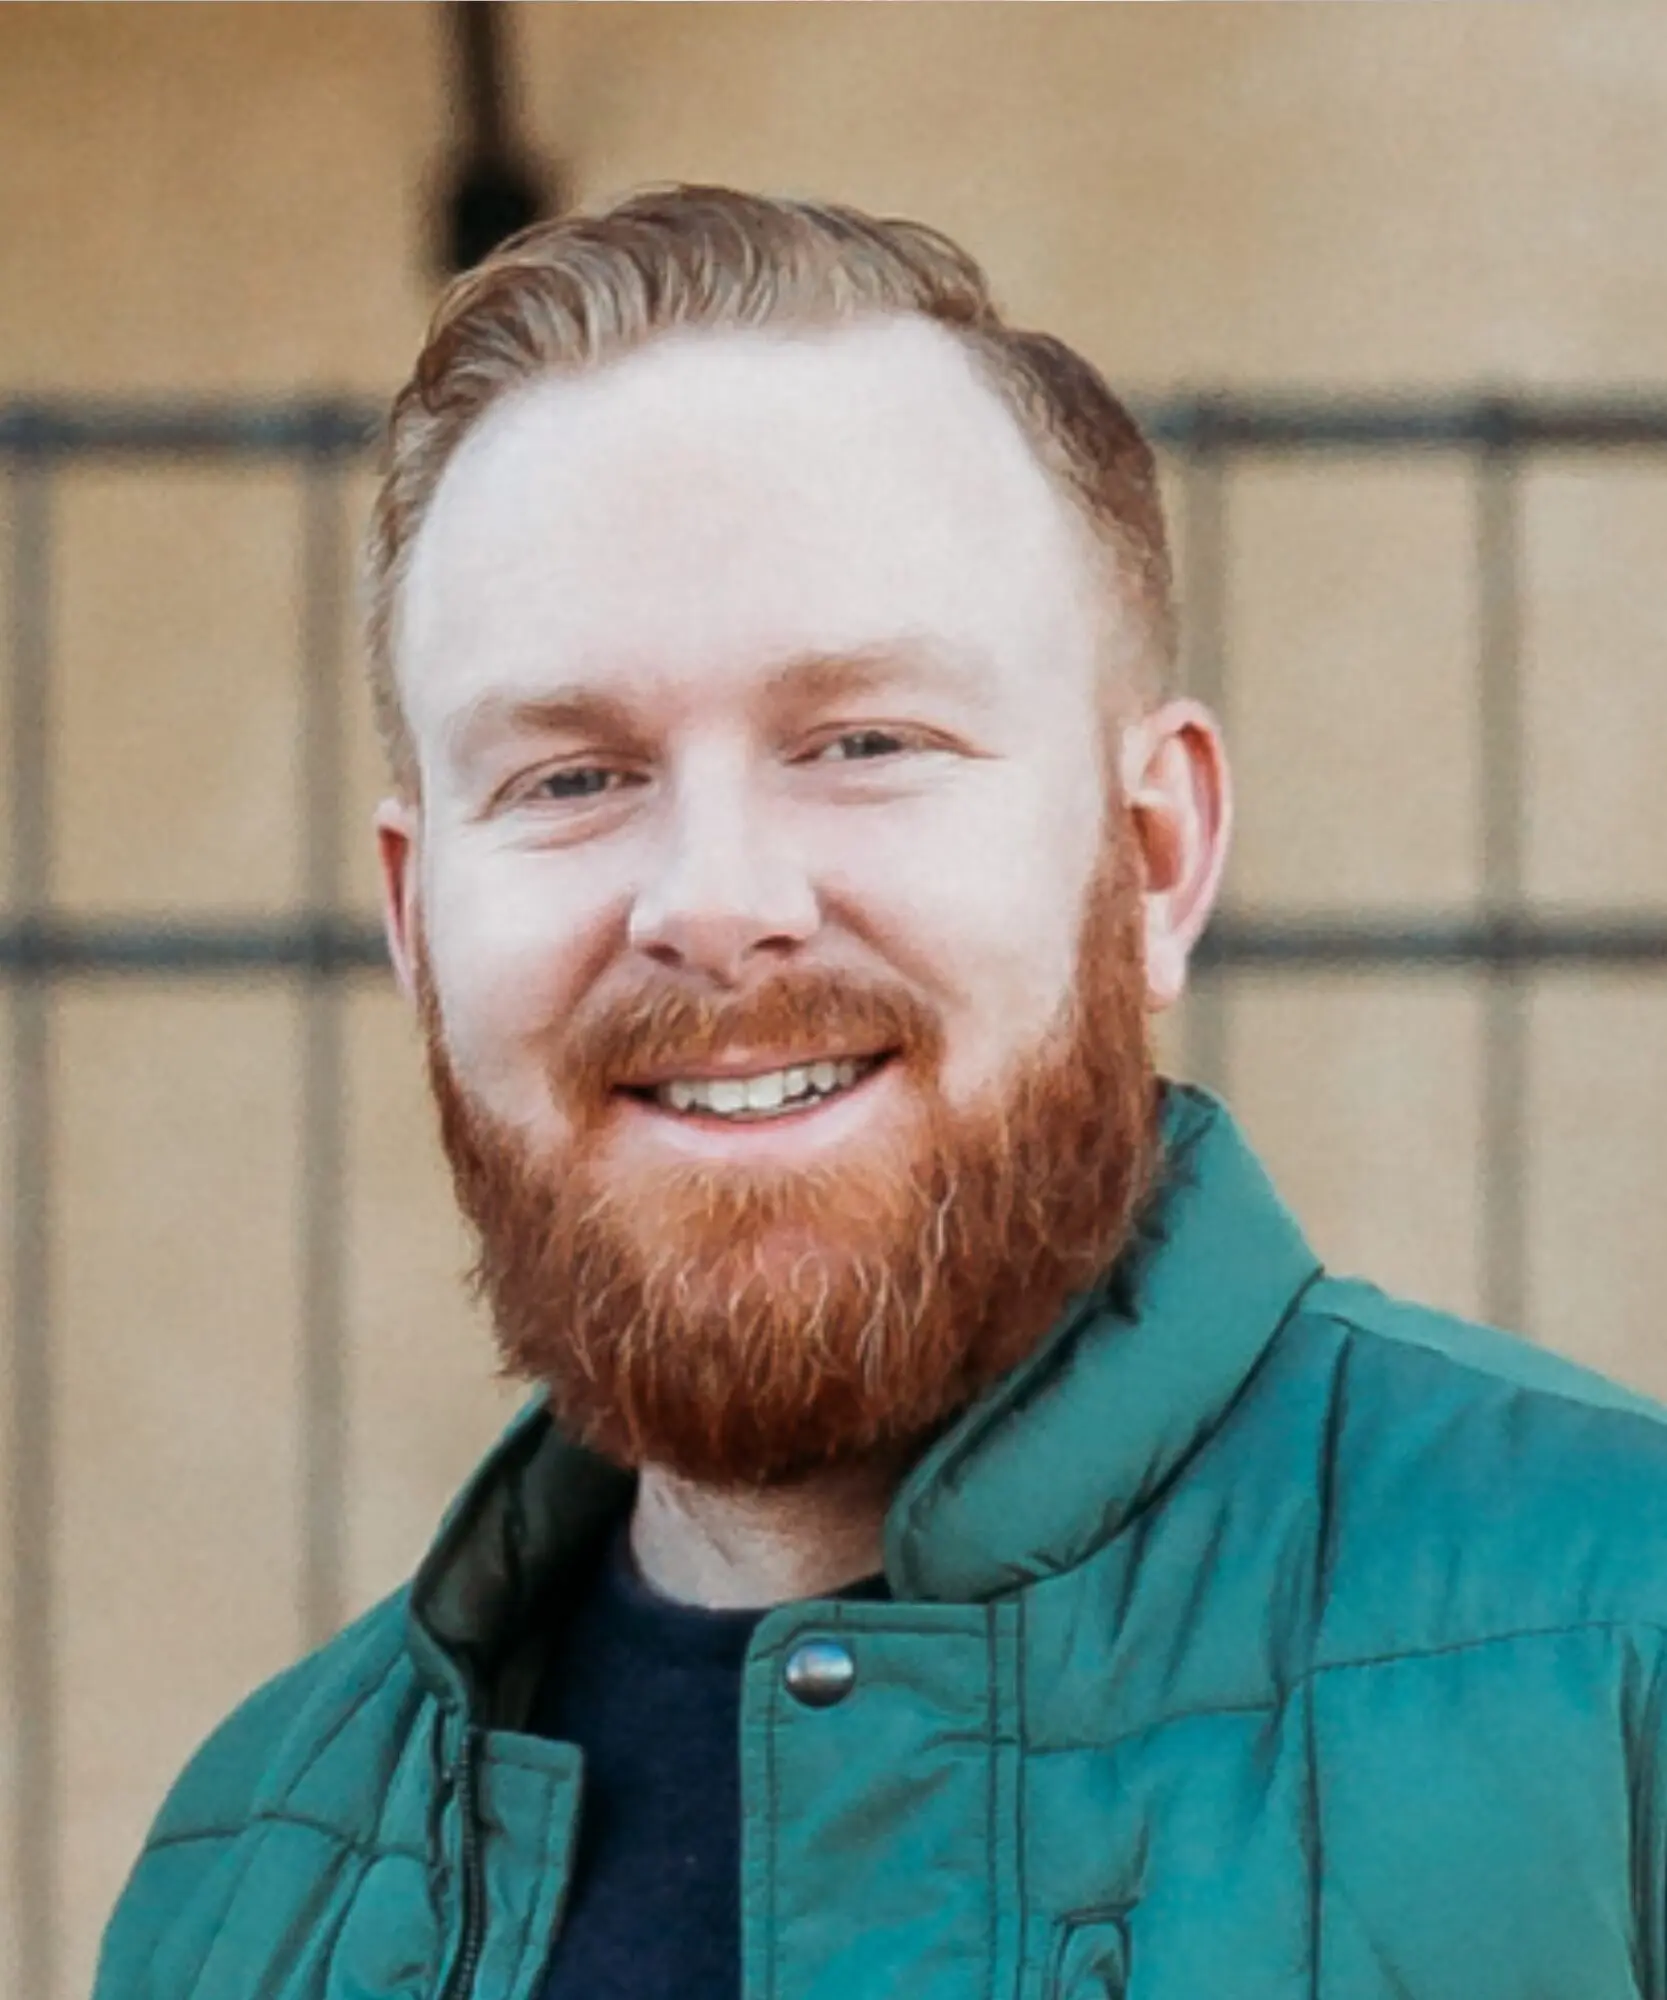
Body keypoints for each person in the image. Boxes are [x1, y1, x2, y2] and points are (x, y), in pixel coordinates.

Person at [94, 185, 1667, 2000]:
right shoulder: (248, 1882)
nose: (713, 904)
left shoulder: (1618, 1652)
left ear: (1152, 856)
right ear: (415, 919)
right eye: (570, 777)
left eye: (862, 741)